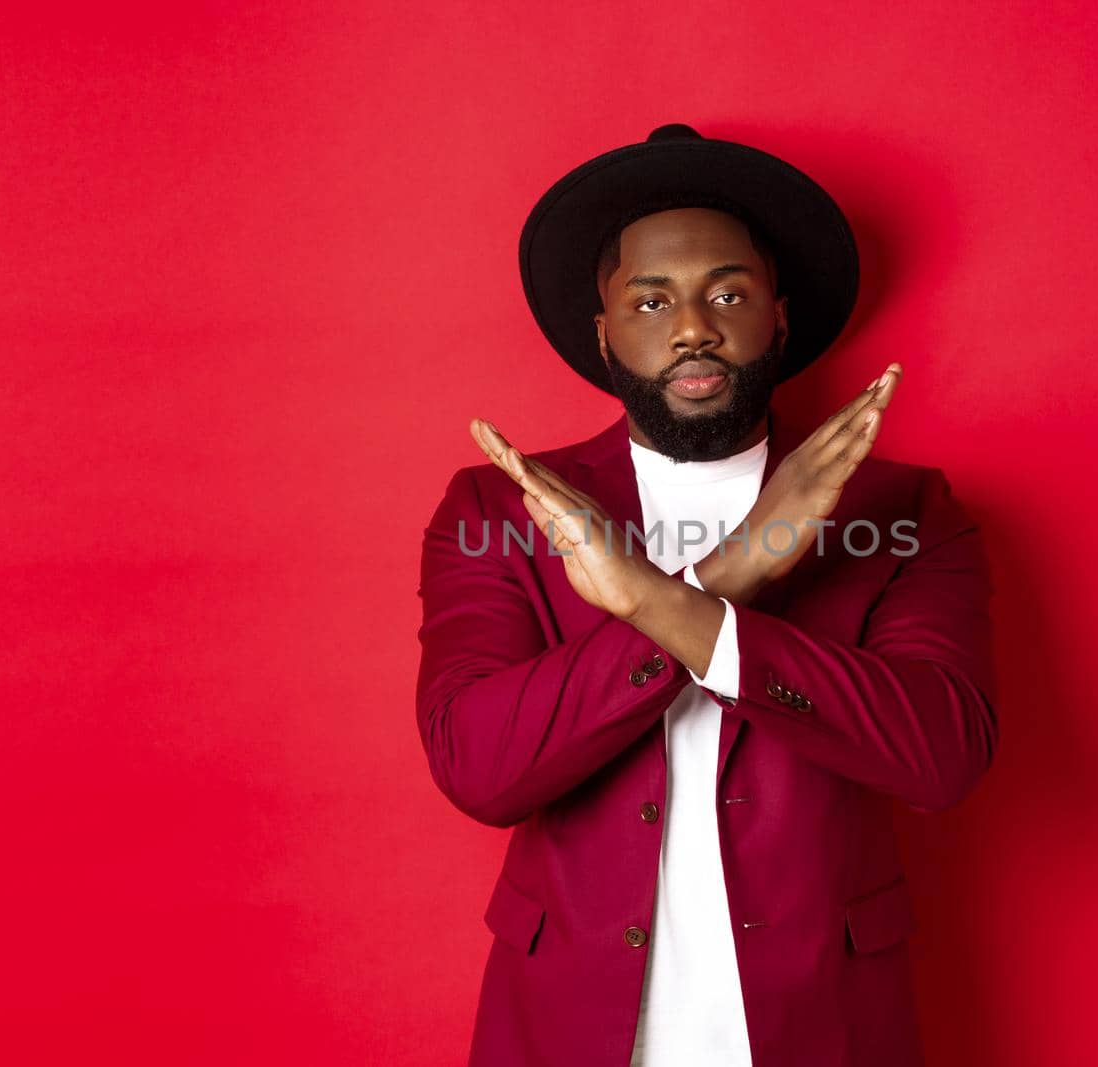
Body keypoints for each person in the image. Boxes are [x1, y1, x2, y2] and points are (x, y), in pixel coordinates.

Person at [416, 123, 999, 1067]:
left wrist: (659, 601)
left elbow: (940, 756)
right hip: (570, 1026)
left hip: (824, 1024)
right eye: (653, 300)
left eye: (727, 292)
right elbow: (481, 767)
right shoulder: (504, 507)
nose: (693, 325)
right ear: (603, 331)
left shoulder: (905, 510)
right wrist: (740, 567)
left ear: (778, 317)